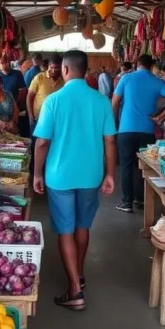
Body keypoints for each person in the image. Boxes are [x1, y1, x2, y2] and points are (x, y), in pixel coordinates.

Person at [33, 49, 116, 311]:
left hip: (60, 176)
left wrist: (37, 173)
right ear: (86, 70)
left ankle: (75, 290)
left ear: (65, 69)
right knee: (82, 226)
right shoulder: (101, 101)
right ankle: (78, 273)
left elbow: (42, 142)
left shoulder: (53, 101)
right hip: (91, 175)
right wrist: (110, 174)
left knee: (65, 230)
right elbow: (110, 140)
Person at [112, 54, 165, 213]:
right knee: (143, 166)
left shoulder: (126, 78)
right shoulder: (158, 82)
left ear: (137, 64)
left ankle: (127, 202)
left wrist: (113, 123)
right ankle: (140, 199)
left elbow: (115, 102)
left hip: (126, 129)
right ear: (152, 66)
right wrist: (161, 117)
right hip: (147, 131)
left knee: (126, 166)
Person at [26, 53, 63, 126]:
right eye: (51, 67)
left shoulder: (63, 81)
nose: (53, 71)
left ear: (61, 67)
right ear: (48, 66)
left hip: (56, 120)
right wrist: (30, 116)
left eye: (56, 68)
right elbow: (29, 96)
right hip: (38, 119)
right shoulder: (39, 77)